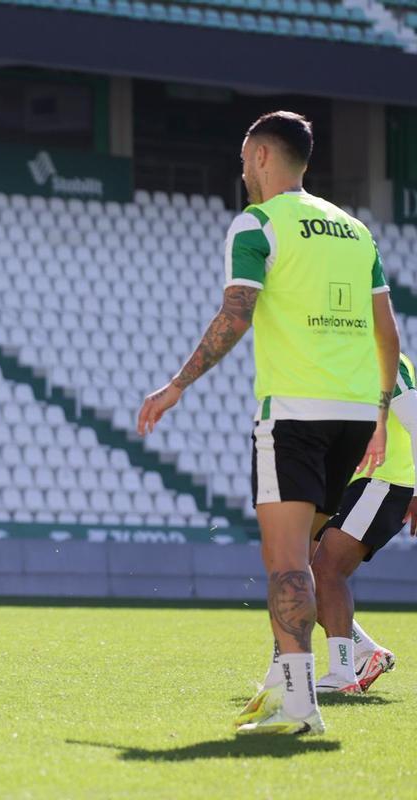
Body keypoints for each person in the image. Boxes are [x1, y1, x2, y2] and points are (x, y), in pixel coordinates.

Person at [136, 111, 399, 735]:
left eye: (244, 158)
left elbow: (236, 315)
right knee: (304, 558)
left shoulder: (257, 223)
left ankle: (301, 708)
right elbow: (388, 334)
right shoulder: (357, 231)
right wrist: (382, 414)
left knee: (286, 565)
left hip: (294, 415)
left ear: (257, 155)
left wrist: (177, 384)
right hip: (357, 413)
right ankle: (285, 686)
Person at [309, 353, 417, 693]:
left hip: (385, 481)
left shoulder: (385, 357)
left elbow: (415, 419)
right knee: (300, 571)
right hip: (355, 481)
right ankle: (365, 651)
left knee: (327, 568)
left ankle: (342, 675)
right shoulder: (343, 360)